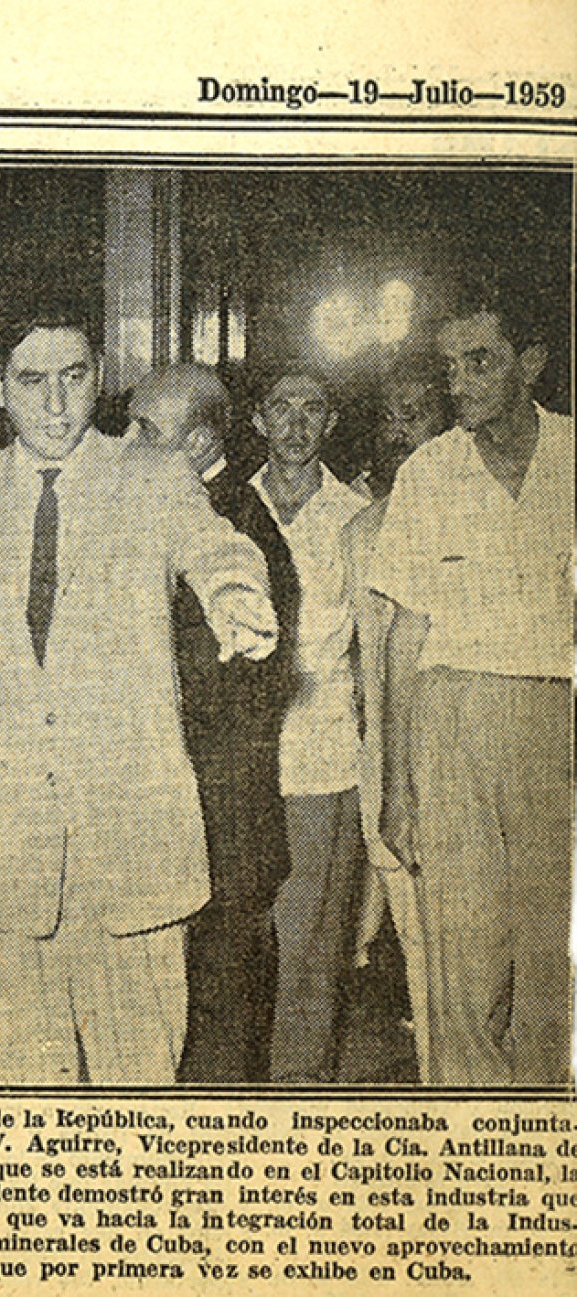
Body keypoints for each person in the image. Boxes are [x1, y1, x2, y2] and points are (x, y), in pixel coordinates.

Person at [0, 311, 278, 1084]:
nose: (56, 406)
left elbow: (212, 543)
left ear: (100, 375)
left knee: (140, 1089)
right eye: (32, 381)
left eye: (75, 378)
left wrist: (235, 593)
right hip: (13, 867)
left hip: (134, 857)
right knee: (20, 1101)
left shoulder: (153, 476)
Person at [371, 282, 573, 1086]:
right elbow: (401, 639)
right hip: (449, 719)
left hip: (553, 720)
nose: (458, 382)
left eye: (479, 361)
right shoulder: (428, 473)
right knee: (464, 959)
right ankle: (468, 1126)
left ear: (531, 363)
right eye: (450, 364)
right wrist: (397, 786)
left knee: (553, 950)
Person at [128, 362, 299, 1082]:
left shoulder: (230, 524)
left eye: (144, 430)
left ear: (198, 441)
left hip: (220, 831)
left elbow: (201, 690)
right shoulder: (195, 508)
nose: (125, 443)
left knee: (219, 1043)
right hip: (210, 826)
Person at [250, 365, 369, 1083]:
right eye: (280, 408)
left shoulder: (359, 516)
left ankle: (298, 1097)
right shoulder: (221, 506)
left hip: (322, 761)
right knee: (240, 941)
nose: (295, 424)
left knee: (311, 946)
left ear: (330, 423)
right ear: (258, 420)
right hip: (239, 762)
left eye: (312, 409)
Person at [342, 354, 448, 1079]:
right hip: (395, 788)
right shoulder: (360, 531)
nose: (400, 430)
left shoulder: (492, 508)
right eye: (390, 415)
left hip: (486, 781)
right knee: (425, 981)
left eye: (417, 413)